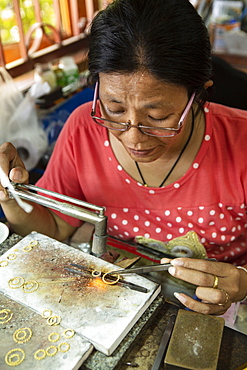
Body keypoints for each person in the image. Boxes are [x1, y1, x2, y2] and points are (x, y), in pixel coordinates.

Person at [0, 0, 246, 315]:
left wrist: (242, 282)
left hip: (226, 308)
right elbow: (55, 228)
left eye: (157, 116)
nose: (132, 137)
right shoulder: (82, 130)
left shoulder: (241, 145)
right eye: (114, 109)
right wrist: (10, 195)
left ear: (198, 95)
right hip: (123, 300)